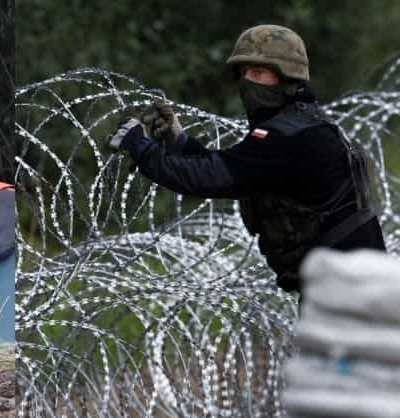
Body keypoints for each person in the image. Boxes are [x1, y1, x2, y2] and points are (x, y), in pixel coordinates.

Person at [109, 24, 386, 294]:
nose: (247, 82)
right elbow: (233, 170)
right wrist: (178, 141)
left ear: (288, 76)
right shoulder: (303, 124)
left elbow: (207, 178)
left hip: (349, 294)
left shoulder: (291, 137)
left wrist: (139, 144)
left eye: (258, 72)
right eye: (243, 73)